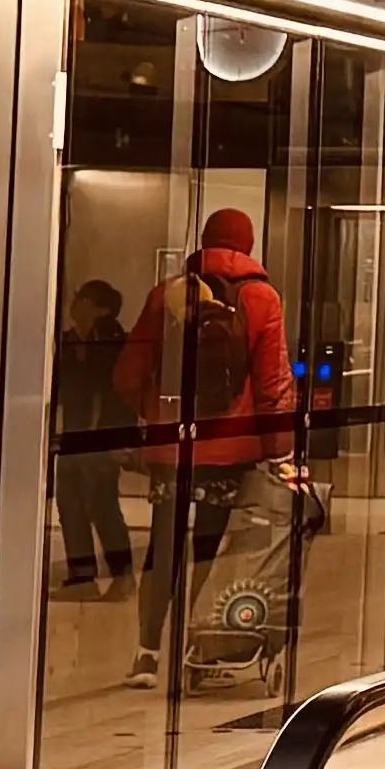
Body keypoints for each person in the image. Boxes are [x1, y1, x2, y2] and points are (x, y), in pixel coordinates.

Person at [122, 206, 295, 652]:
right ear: (249, 245)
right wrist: (281, 454)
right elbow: (273, 383)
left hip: (173, 451)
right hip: (230, 452)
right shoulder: (263, 299)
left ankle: (147, 651)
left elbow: (126, 373)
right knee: (210, 551)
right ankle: (193, 642)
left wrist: (157, 413)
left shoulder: (168, 294)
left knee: (164, 550)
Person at [48, 277, 135, 587]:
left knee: (103, 505)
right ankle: (82, 574)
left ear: (100, 309)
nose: (74, 303)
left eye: (82, 298)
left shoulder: (115, 344)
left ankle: (122, 574)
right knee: (69, 503)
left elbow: (120, 392)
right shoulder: (69, 342)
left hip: (102, 436)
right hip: (73, 434)